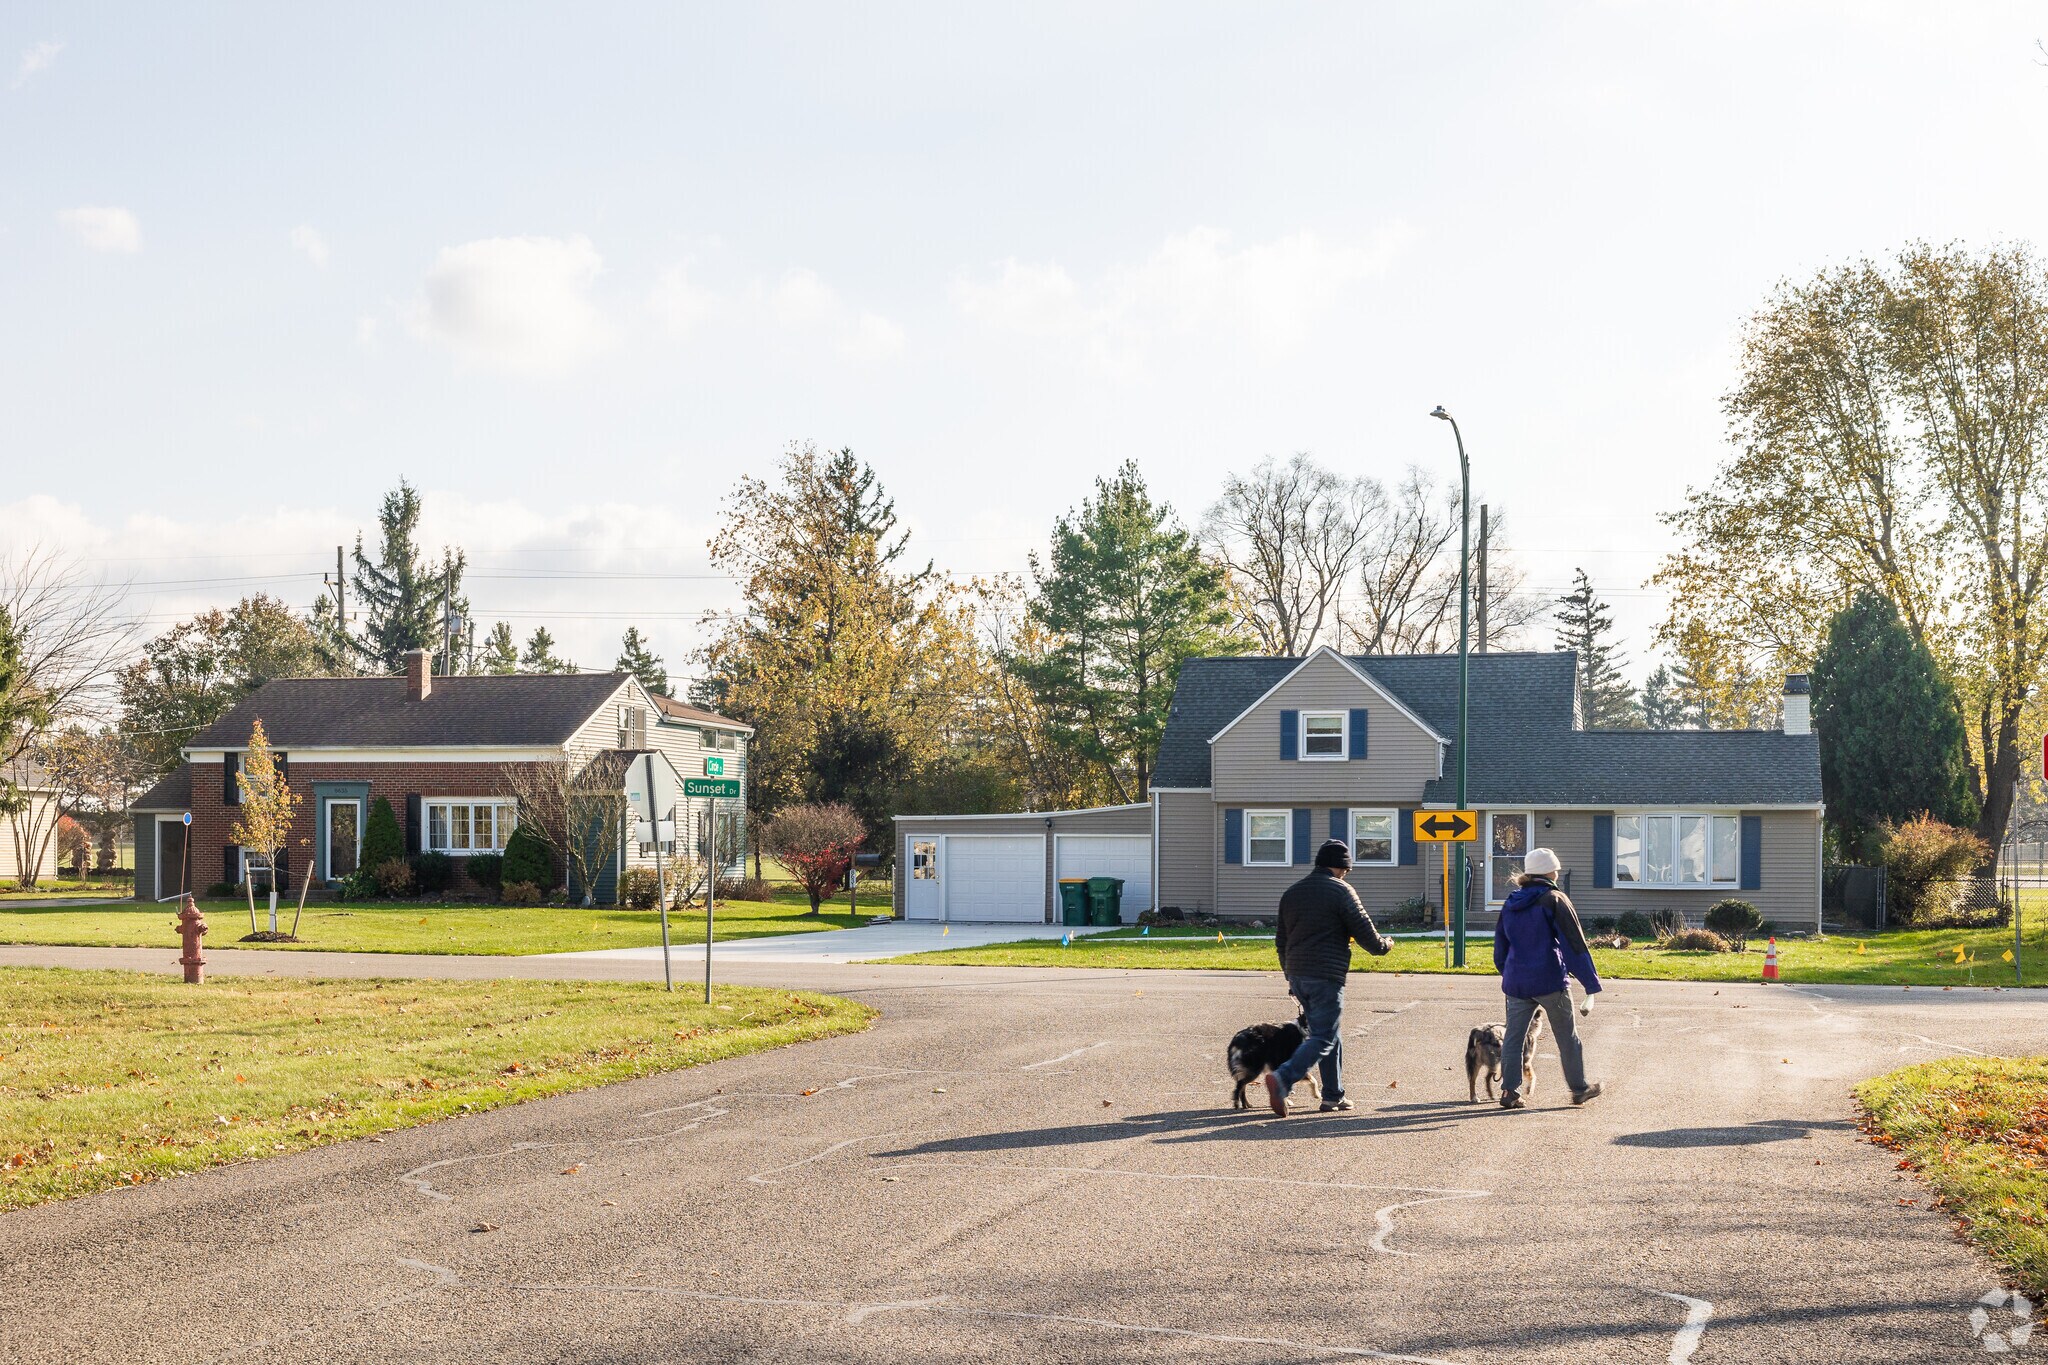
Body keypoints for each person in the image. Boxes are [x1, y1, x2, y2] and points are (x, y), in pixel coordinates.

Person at [1261, 838, 1393, 1117]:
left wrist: (1289, 974)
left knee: (1330, 1032)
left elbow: (1281, 940)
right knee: (1323, 1036)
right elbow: (1367, 935)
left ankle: (1333, 1095)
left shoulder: (1292, 892)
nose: (1346, 874)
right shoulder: (1342, 891)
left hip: (1297, 973)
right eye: (1346, 869)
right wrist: (1385, 945)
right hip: (1325, 975)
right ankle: (1283, 1078)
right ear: (1341, 867)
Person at [1493, 847, 1602, 1109]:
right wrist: (1590, 982)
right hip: (1550, 979)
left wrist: (1506, 971)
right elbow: (1573, 944)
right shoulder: (1555, 899)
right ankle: (1579, 1088)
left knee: (1513, 1039)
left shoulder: (1511, 902)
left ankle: (1510, 1091)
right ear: (1550, 872)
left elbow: (1500, 945)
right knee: (1568, 1038)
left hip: (1517, 982)